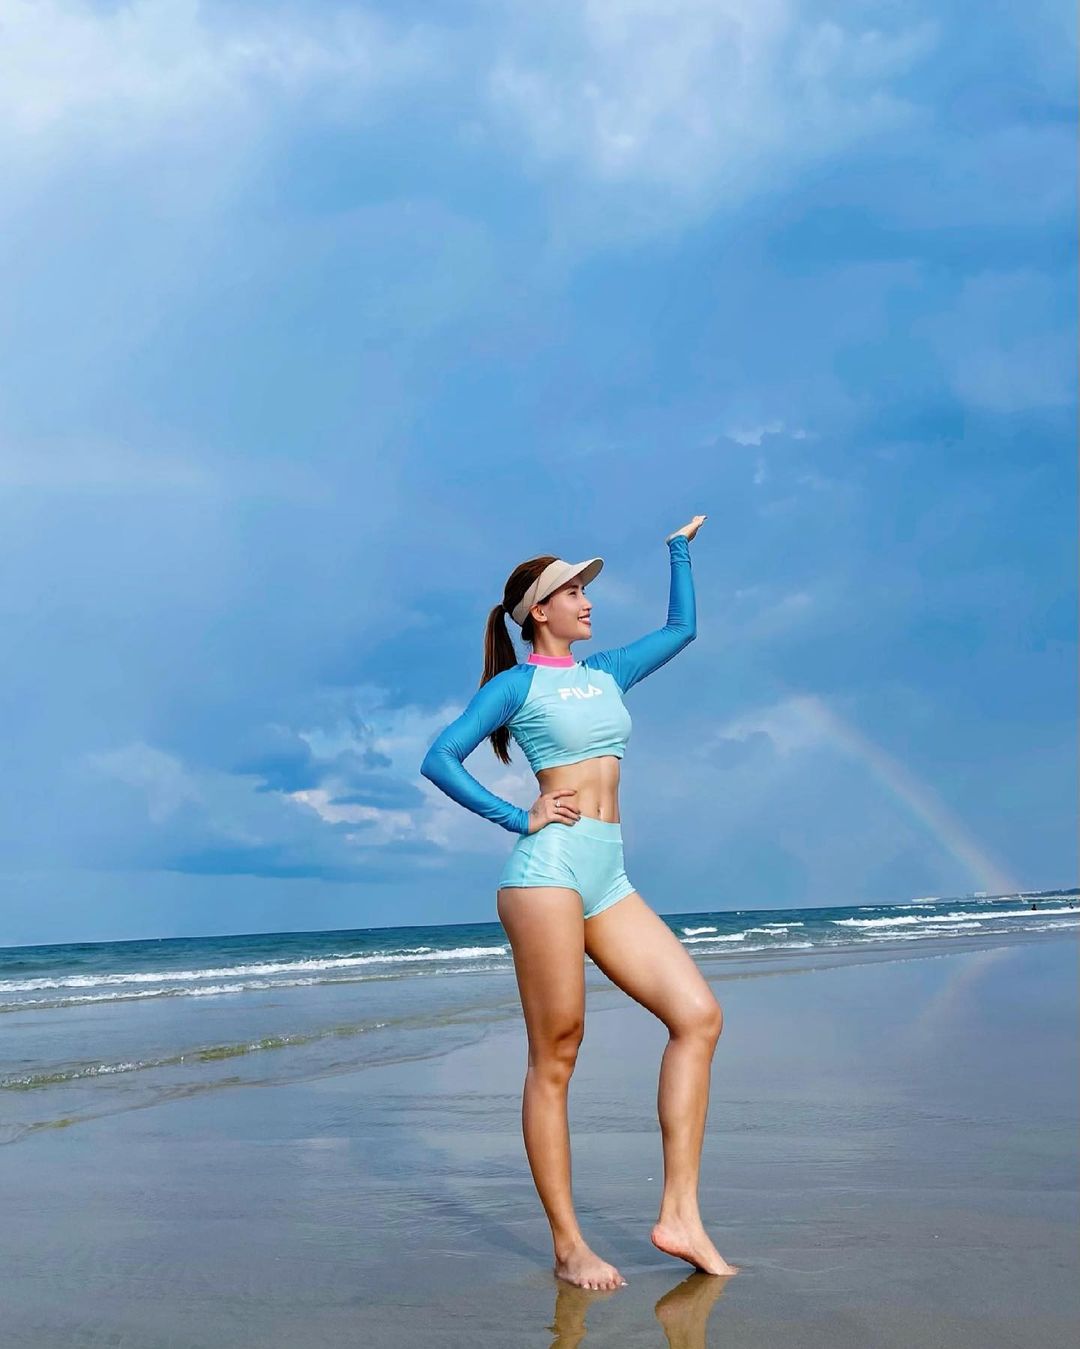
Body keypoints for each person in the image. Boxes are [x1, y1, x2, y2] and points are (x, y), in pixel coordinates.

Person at [419, 515, 739, 1291]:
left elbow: (683, 628)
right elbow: (440, 756)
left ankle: (680, 1214)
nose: (586, 599)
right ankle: (569, 1247)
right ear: (539, 610)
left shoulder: (609, 672)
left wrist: (679, 550)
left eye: (585, 589)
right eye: (571, 590)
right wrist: (517, 814)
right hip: (547, 874)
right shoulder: (516, 686)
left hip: (608, 874)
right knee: (557, 1054)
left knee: (698, 1016)